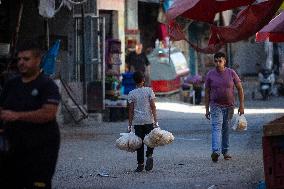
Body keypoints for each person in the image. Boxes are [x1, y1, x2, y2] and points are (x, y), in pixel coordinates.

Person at [0, 40, 60, 188]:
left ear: (38, 60)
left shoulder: (47, 85)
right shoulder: (11, 84)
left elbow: (49, 113)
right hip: (12, 148)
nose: (21, 62)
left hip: (40, 148)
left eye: (26, 59)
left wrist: (18, 116)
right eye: (19, 59)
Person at [204, 52, 244, 162]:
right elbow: (207, 92)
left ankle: (225, 151)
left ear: (224, 61)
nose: (217, 63)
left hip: (229, 106)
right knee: (216, 127)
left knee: (225, 128)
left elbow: (240, 89)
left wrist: (241, 106)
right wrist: (207, 109)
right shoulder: (210, 74)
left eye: (220, 61)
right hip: (215, 105)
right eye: (216, 61)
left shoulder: (231, 73)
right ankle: (216, 151)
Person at [128, 71, 158, 172]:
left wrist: (129, 124)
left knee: (139, 143)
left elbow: (131, 110)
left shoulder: (131, 93)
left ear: (134, 81)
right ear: (143, 80)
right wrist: (156, 121)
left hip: (137, 122)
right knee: (150, 140)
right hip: (149, 120)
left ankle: (140, 164)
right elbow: (153, 106)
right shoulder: (149, 91)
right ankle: (149, 154)